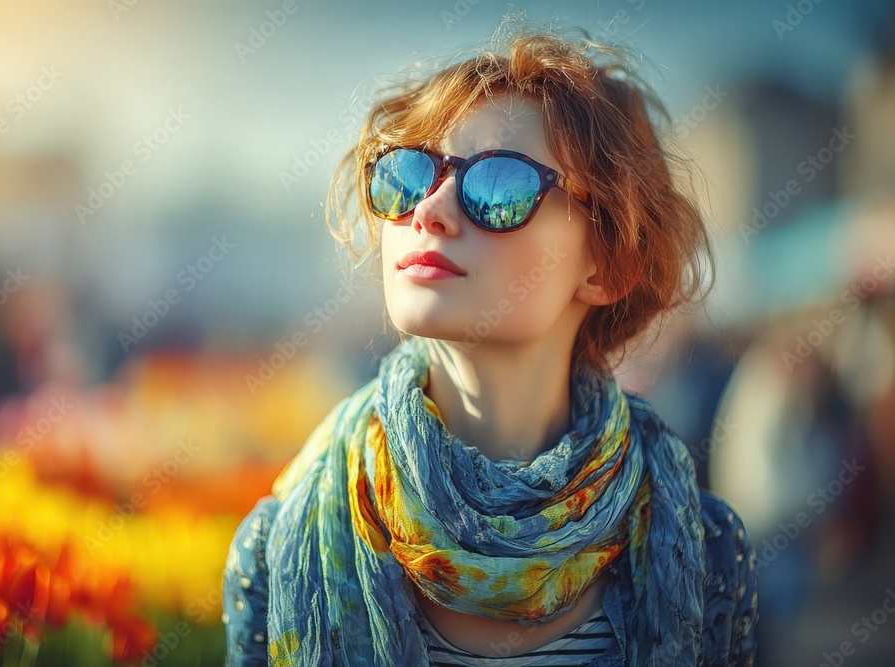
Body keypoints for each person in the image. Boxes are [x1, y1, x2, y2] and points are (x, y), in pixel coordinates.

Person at [223, 22, 758, 667]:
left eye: (498, 184)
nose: (429, 211)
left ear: (607, 267)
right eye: (409, 173)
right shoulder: (281, 543)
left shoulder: (705, 551)